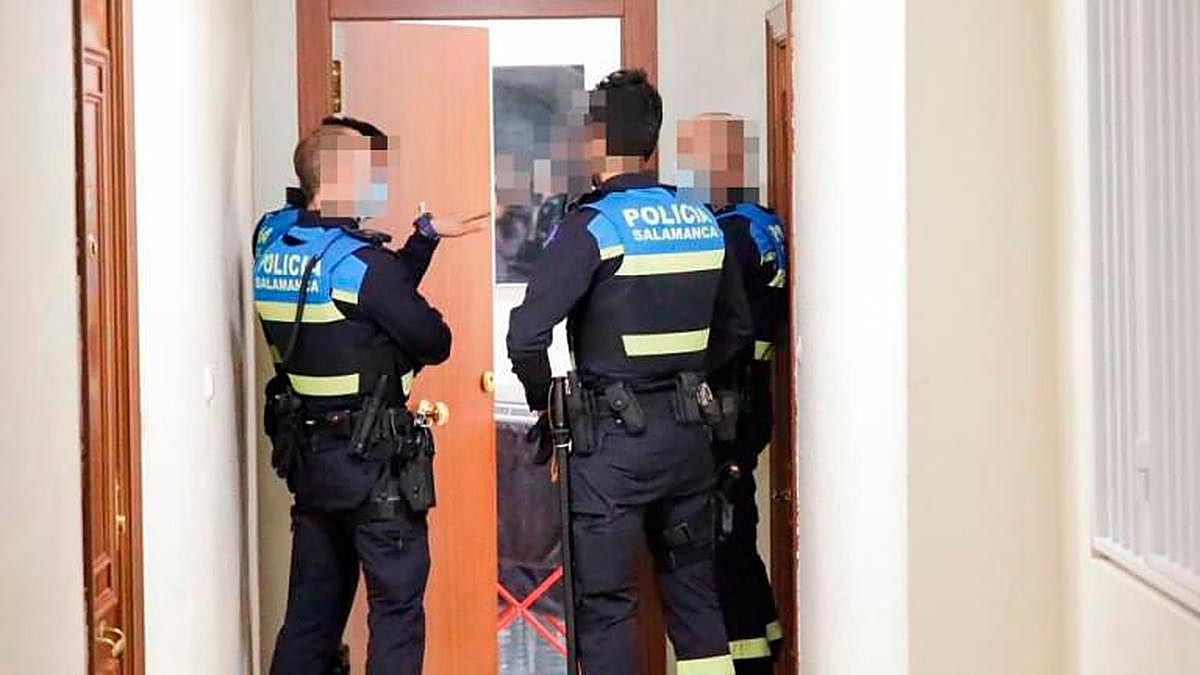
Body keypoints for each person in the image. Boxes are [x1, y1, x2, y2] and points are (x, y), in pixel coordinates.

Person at [507, 70, 752, 675]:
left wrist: (547, 402)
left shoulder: (593, 226)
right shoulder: (700, 221)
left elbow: (526, 336)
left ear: (594, 141)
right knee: (695, 598)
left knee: (607, 607)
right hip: (689, 437)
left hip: (610, 449)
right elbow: (737, 332)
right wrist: (685, 378)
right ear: (652, 139)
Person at [254, 115, 482, 675]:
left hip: (311, 464)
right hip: (374, 471)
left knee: (309, 619)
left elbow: (369, 294)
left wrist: (422, 241)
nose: (377, 179)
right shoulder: (362, 266)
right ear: (337, 176)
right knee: (396, 616)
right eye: (367, 168)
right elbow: (433, 339)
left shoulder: (273, 241)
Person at [677, 113, 789, 673]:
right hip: (750, 397)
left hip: (727, 400)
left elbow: (717, 324)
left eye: (695, 158)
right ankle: (766, 642)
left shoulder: (730, 234)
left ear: (728, 161)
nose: (688, 172)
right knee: (736, 531)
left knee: (720, 543)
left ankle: (745, 659)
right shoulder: (763, 223)